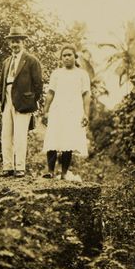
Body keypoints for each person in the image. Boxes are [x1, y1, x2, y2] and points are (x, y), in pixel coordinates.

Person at [0, 25, 43, 177]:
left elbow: (38, 84)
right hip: (7, 99)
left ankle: (20, 167)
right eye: (12, 42)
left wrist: (32, 100)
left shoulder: (31, 61)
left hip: (24, 101)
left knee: (20, 135)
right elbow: (1, 83)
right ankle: (7, 167)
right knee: (6, 134)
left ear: (23, 42)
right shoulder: (6, 62)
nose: (15, 44)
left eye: (18, 41)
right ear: (9, 43)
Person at [42, 44, 90, 179]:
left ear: (75, 57)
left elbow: (86, 94)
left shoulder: (82, 74)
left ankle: (63, 173)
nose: (67, 58)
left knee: (68, 142)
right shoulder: (56, 73)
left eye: (69, 55)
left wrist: (86, 113)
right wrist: (45, 111)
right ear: (61, 58)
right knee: (53, 138)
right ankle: (50, 171)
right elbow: (51, 93)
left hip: (74, 111)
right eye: (64, 55)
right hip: (57, 109)